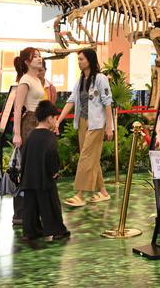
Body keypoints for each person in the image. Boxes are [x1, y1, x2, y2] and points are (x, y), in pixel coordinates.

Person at [55, 48, 113, 207]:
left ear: (90, 60)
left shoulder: (101, 79)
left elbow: (107, 103)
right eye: (78, 59)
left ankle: (80, 195)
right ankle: (103, 192)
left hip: (97, 124)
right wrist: (58, 121)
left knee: (86, 157)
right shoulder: (81, 80)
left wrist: (110, 127)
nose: (79, 62)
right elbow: (71, 101)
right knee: (91, 158)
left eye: (81, 59)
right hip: (82, 122)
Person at [19, 100, 69, 242]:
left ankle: (31, 231)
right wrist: (54, 171)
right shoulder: (50, 137)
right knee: (50, 204)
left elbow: (25, 155)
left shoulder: (30, 135)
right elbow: (52, 155)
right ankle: (57, 230)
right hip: (44, 178)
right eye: (55, 118)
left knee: (30, 207)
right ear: (49, 119)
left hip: (29, 177)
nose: (56, 121)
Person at [11, 47, 47, 225]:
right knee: (26, 170)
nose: (39, 59)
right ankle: (20, 213)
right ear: (26, 62)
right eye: (35, 57)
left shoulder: (36, 78)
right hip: (30, 124)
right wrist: (17, 133)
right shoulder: (25, 80)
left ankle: (32, 211)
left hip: (39, 123)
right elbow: (18, 108)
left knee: (35, 170)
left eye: (40, 56)